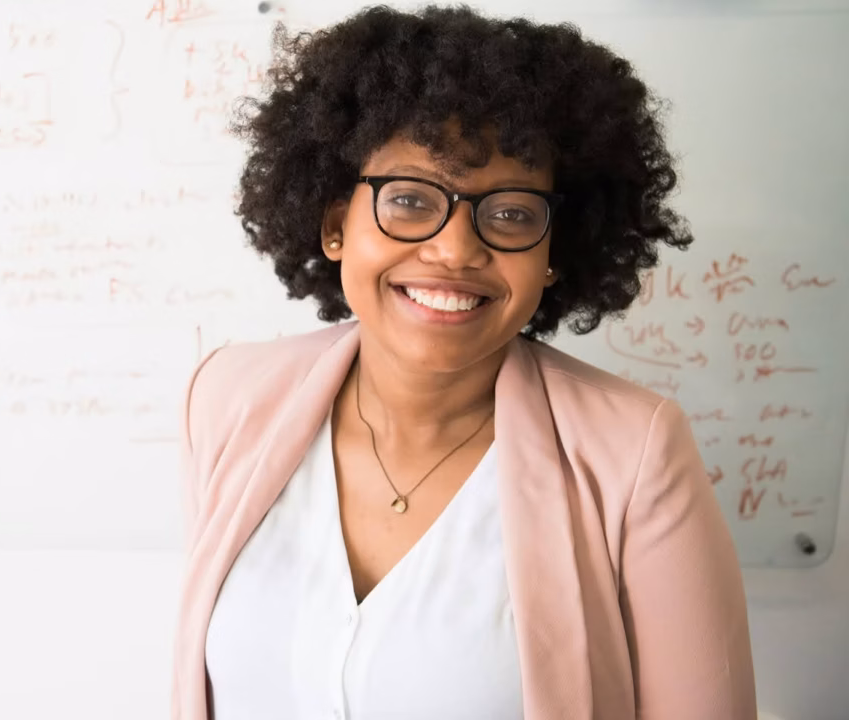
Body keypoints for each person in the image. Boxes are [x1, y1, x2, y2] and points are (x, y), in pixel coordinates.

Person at [171, 5, 756, 719]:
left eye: (509, 213)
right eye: (411, 199)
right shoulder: (227, 399)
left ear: (552, 253)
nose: (454, 250)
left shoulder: (633, 452)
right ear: (334, 226)